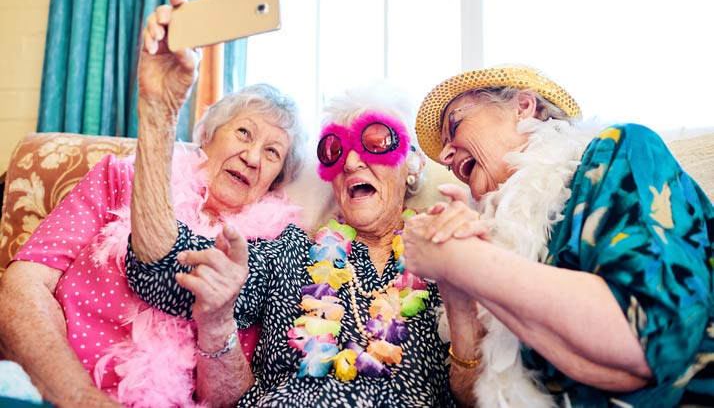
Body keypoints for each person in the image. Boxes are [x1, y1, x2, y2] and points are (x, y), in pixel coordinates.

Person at [0, 0, 306, 408]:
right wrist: (80, 397)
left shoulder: (271, 252)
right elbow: (22, 287)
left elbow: (231, 398)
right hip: (53, 387)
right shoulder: (118, 176)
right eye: (244, 133)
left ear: (276, 179)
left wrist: (218, 323)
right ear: (208, 136)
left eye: (273, 152)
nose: (253, 157)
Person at [124, 82, 486, 407]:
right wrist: (159, 111)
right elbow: (160, 268)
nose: (353, 161)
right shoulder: (290, 251)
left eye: (375, 142)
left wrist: (458, 301)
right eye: (335, 150)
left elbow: (480, 397)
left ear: (413, 164)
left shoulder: (445, 251)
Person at [402, 65, 714, 407]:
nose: (446, 156)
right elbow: (472, 398)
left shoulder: (619, 151)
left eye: (454, 125)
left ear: (523, 107)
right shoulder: (492, 239)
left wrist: (465, 262)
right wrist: (456, 291)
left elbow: (648, 343)